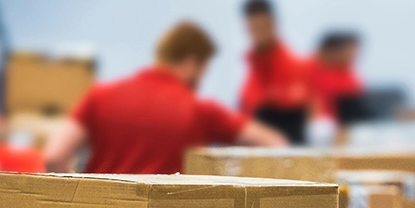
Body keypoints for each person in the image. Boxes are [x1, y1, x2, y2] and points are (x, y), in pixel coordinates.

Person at [44, 21, 284, 174]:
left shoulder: (100, 95)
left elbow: (54, 156)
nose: (200, 81)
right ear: (191, 62)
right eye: (203, 71)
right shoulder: (200, 110)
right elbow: (274, 144)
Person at [239, 0, 315, 144]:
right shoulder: (249, 81)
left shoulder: (299, 69)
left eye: (262, 27)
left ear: (273, 23)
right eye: (253, 29)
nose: (257, 34)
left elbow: (315, 124)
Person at [310, 31, 365, 123]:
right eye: (349, 53)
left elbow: (356, 106)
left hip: (341, 125)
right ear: (331, 50)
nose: (353, 58)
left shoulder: (346, 74)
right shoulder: (305, 69)